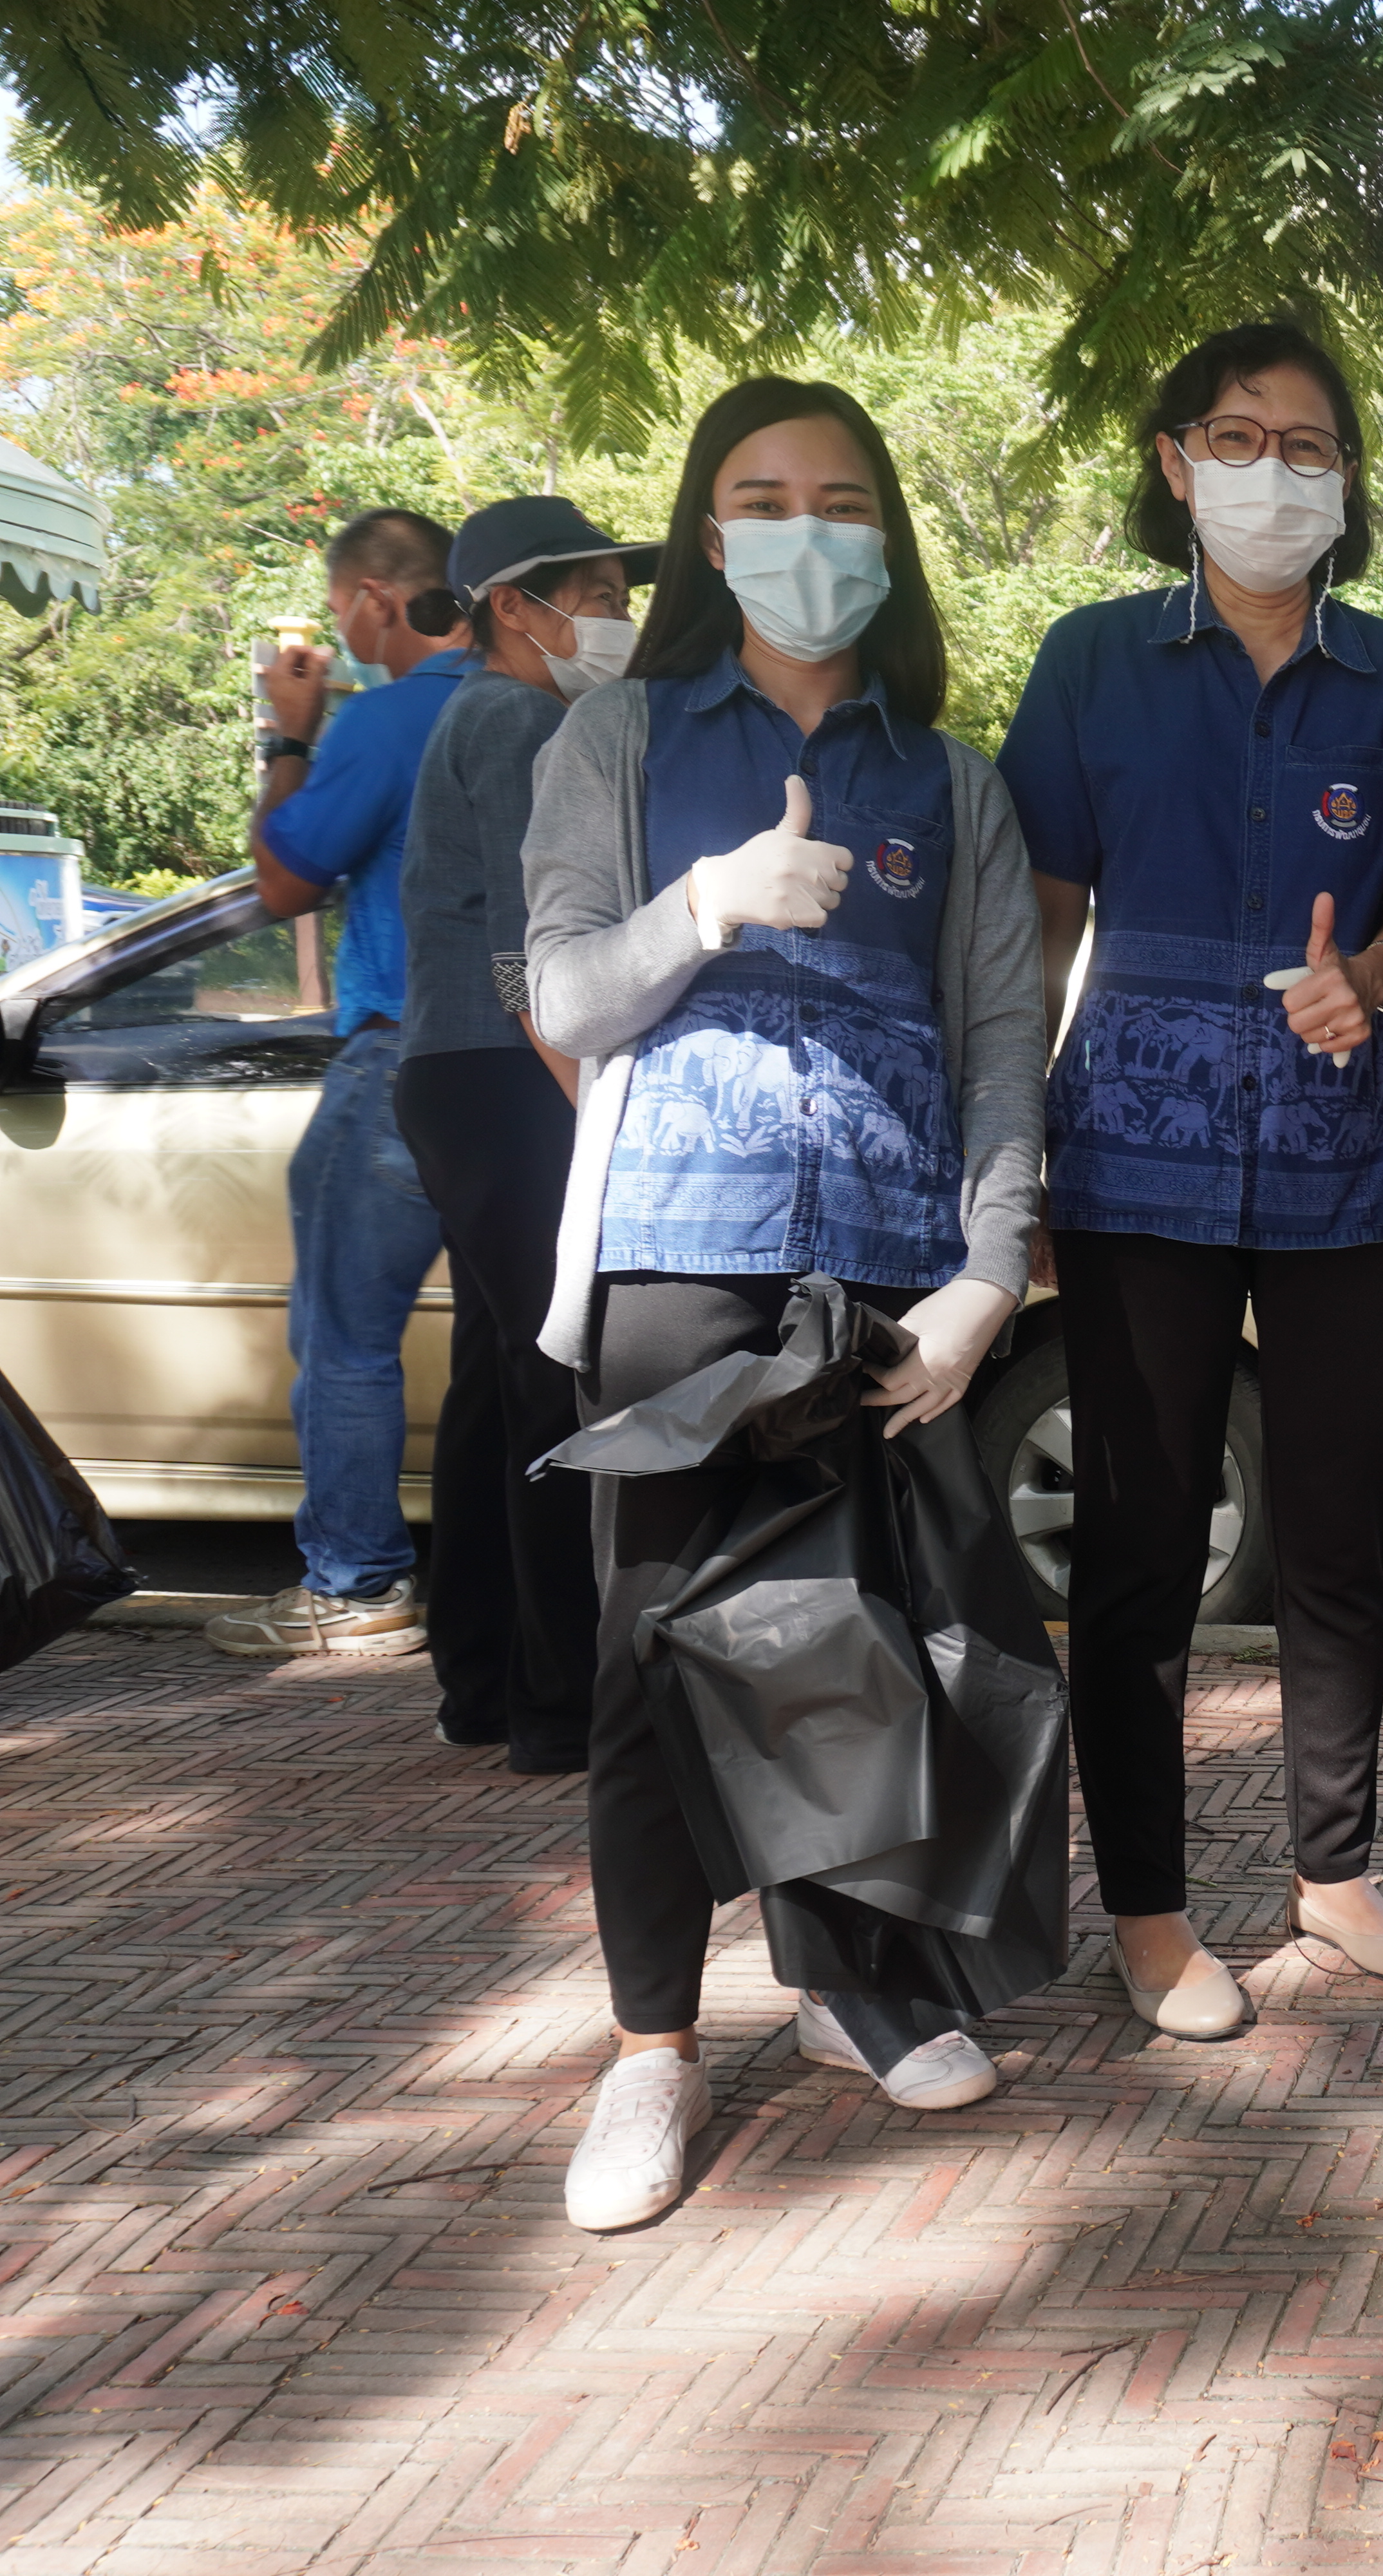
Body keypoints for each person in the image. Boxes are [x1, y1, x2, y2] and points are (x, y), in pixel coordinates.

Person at [521, 377, 1048, 2231]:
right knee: (651, 1649)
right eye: (760, 494)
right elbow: (571, 1000)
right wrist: (708, 907)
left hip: (889, 1273)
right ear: (705, 526)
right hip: (680, 1244)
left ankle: (848, 1981)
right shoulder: (622, 738)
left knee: (859, 1635)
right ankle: (652, 2049)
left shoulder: (950, 778)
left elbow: (1001, 1048)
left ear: (886, 535)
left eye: (839, 497)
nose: (802, 528)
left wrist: (991, 1270)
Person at [997, 319, 1383, 2033]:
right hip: (1131, 1159)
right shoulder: (1092, 663)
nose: (1277, 472)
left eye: (1313, 445)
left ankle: (1334, 1879)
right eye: (1240, 437)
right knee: (1137, 1544)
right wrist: (1011, 1154)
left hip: (1351, 1157)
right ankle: (1148, 1910)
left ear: (1350, 484)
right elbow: (1034, 935)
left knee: (1338, 1533)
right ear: (1175, 460)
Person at [393, 497, 659, 1771]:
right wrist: (603, 1110)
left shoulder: (514, 717)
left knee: (502, 1386)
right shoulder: (515, 723)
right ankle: (562, 1706)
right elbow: (527, 957)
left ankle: (483, 1680)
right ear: (517, 604)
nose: (617, 619)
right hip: (507, 1073)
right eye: (601, 595)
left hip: (469, 1075)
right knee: (558, 1377)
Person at [205, 508, 470, 1662]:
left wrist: (289, 731)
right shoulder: (546, 708)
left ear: (371, 599)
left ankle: (357, 1586)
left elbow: (280, 883)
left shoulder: (390, 719)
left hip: (398, 1057)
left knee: (347, 1335)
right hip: (538, 1060)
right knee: (521, 1343)